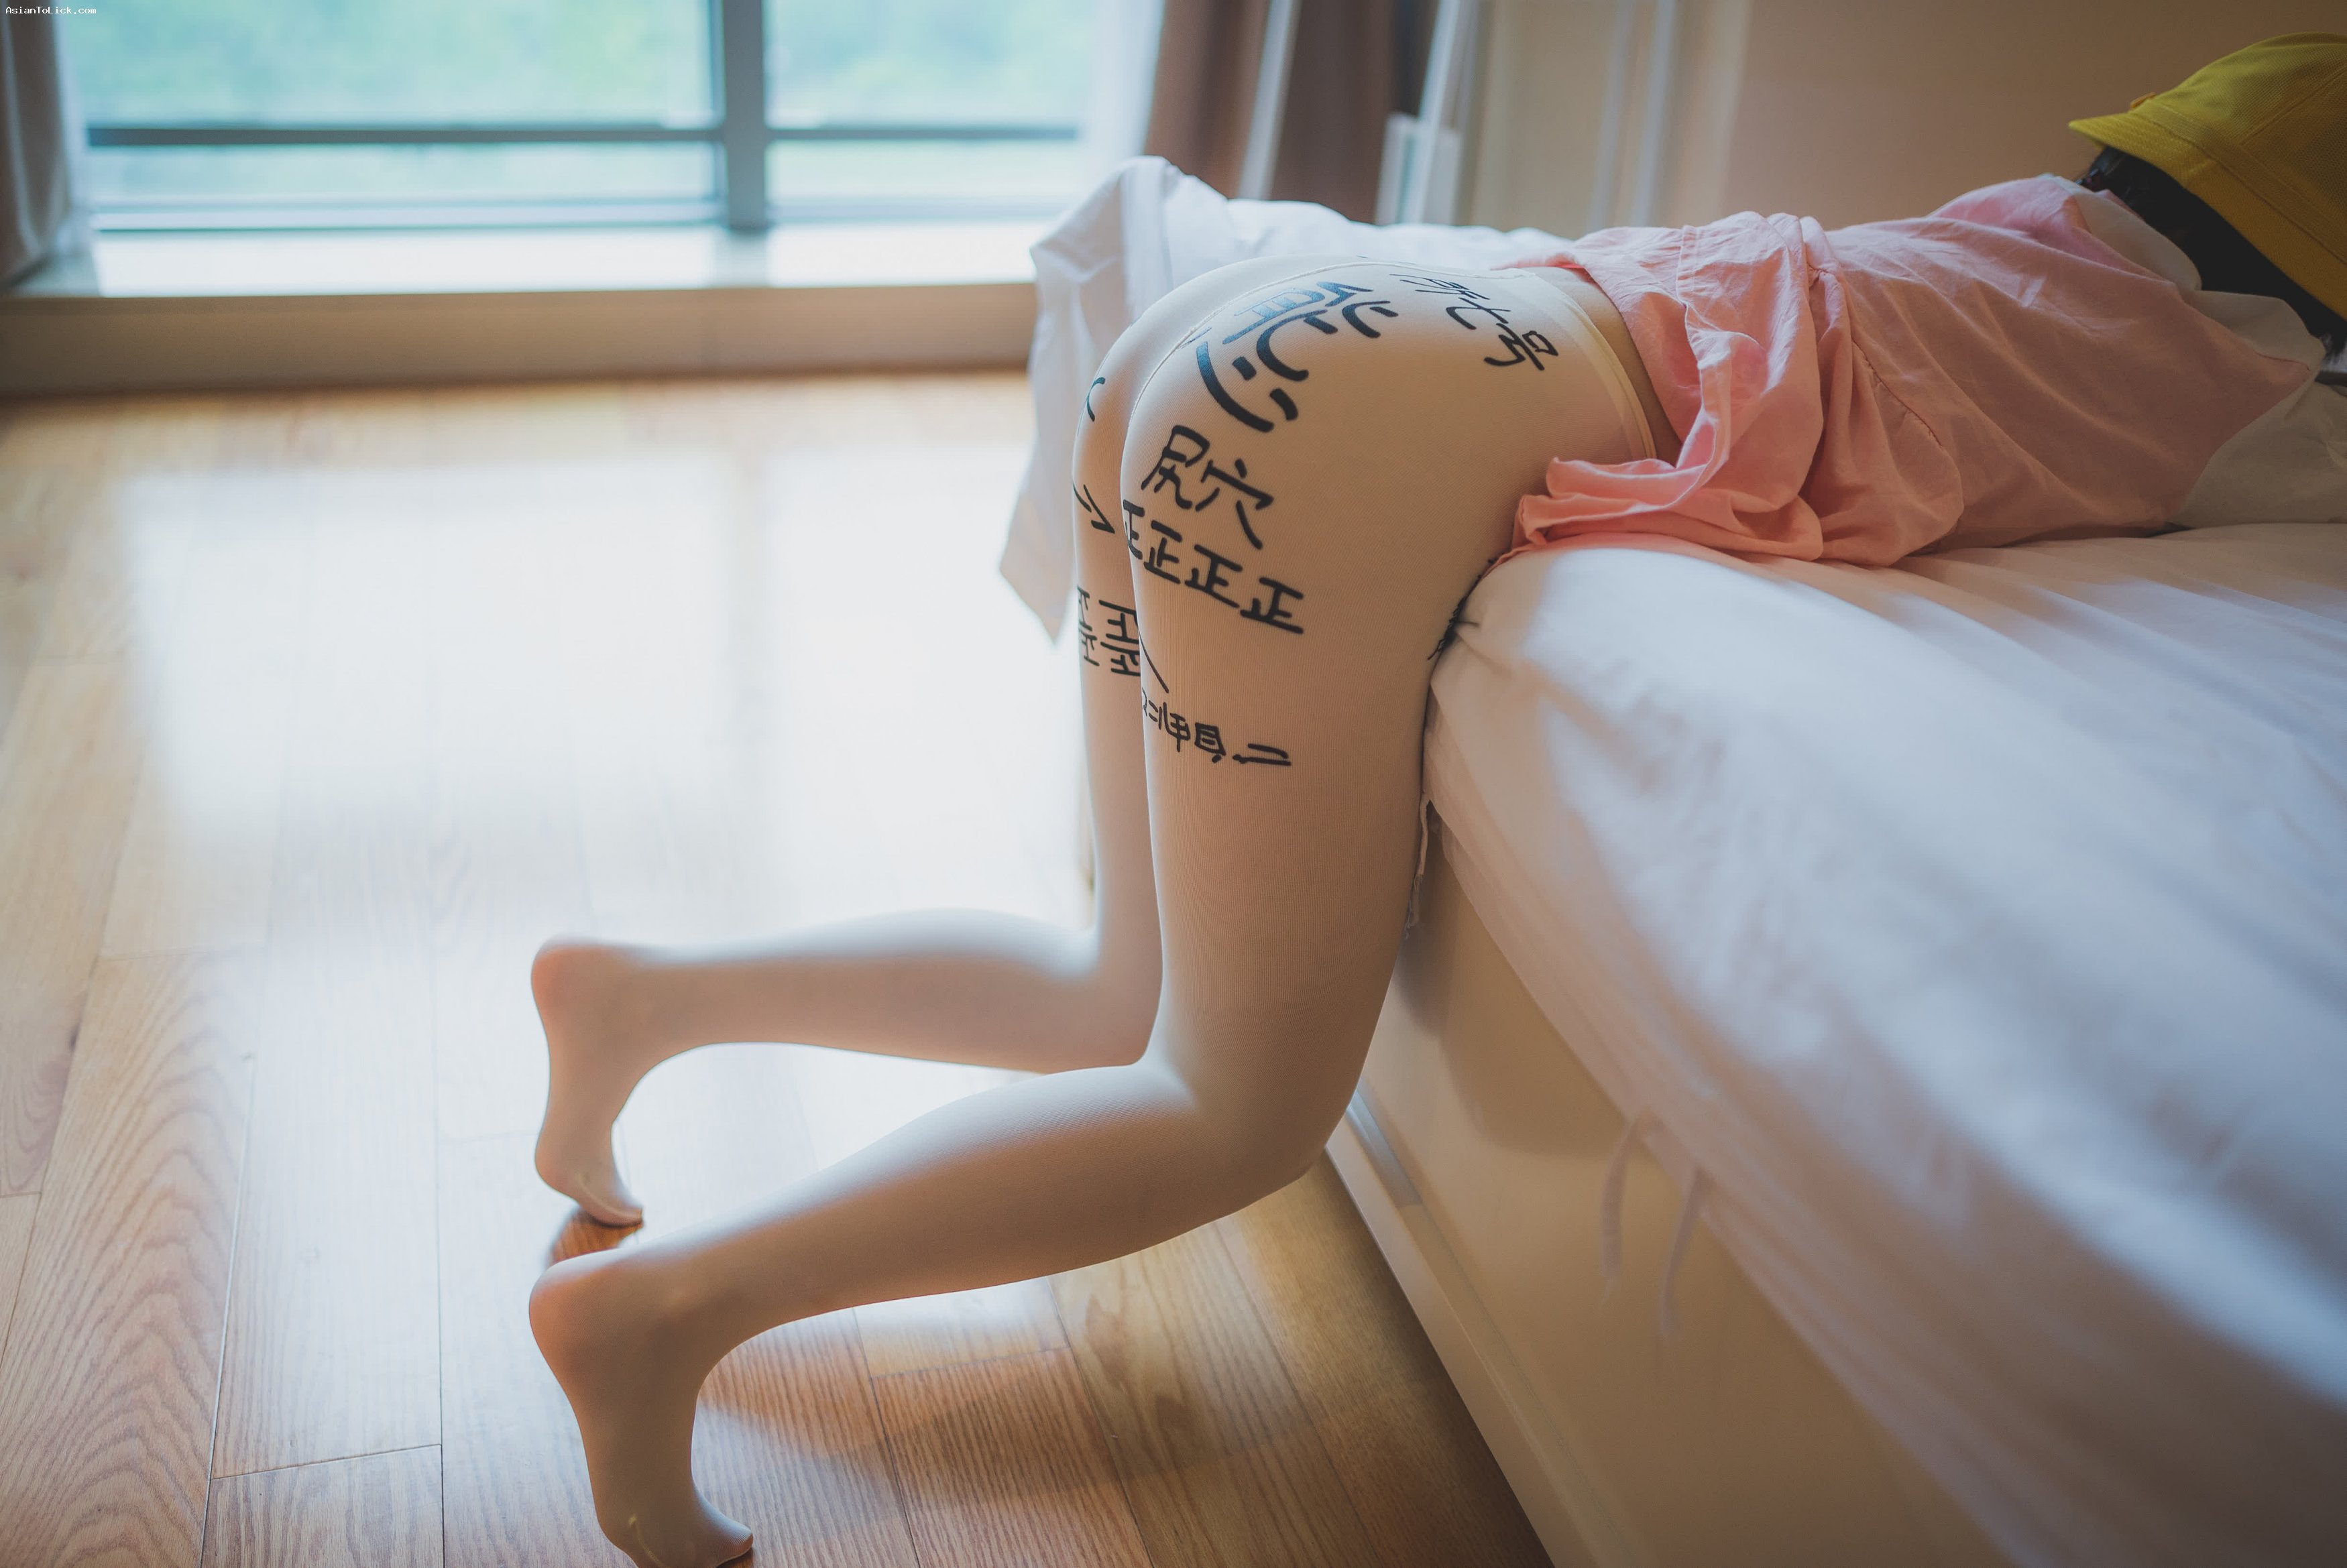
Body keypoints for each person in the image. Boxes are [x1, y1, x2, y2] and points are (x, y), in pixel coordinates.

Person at [525, 35, 2347, 1567]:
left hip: (1242, 339)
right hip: (1325, 423)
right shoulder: (2240, 377)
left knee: (1114, 984)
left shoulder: (2029, 239)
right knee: (1232, 1107)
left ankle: (639, 1000)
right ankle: (662, 1309)